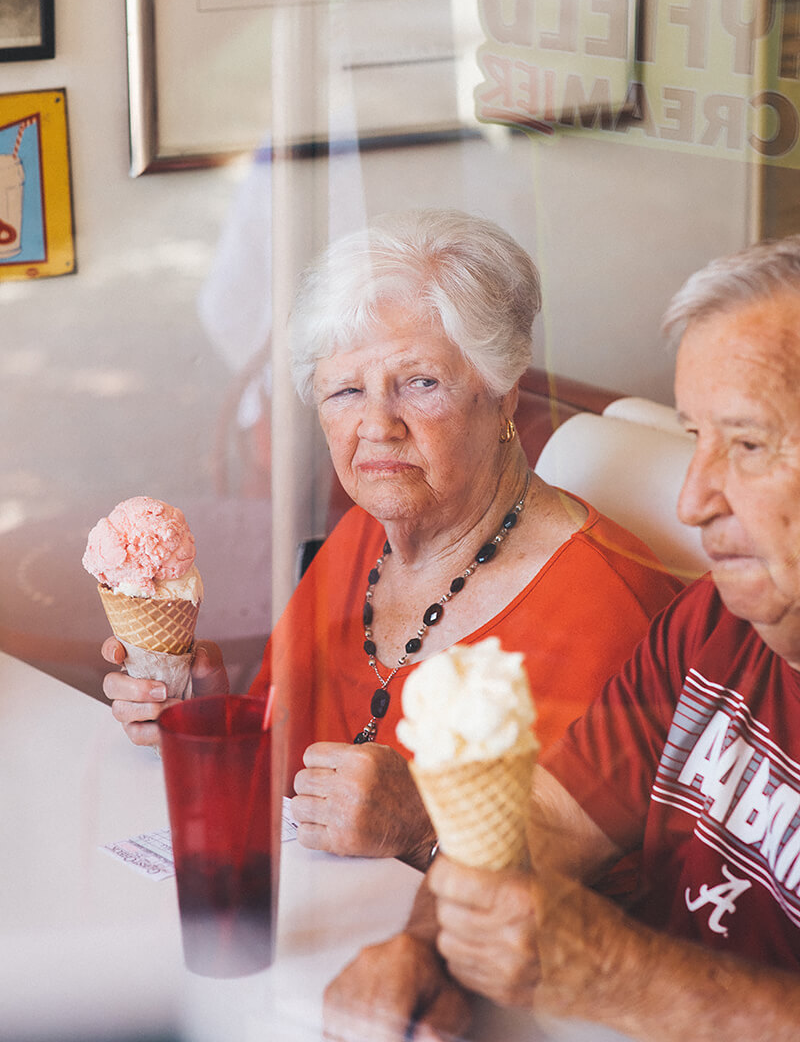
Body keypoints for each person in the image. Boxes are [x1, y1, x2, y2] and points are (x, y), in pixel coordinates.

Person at [323, 237, 800, 1041]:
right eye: (695, 440)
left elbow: (619, 972)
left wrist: (622, 977)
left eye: (747, 445)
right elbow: (543, 825)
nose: (692, 500)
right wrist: (423, 948)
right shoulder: (711, 623)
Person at [102, 209, 680, 871]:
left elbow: (606, 895)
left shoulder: (610, 610)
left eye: (420, 383)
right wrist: (203, 715)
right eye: (346, 389)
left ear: (503, 397)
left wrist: (425, 826)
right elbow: (290, 763)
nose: (378, 426)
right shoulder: (362, 537)